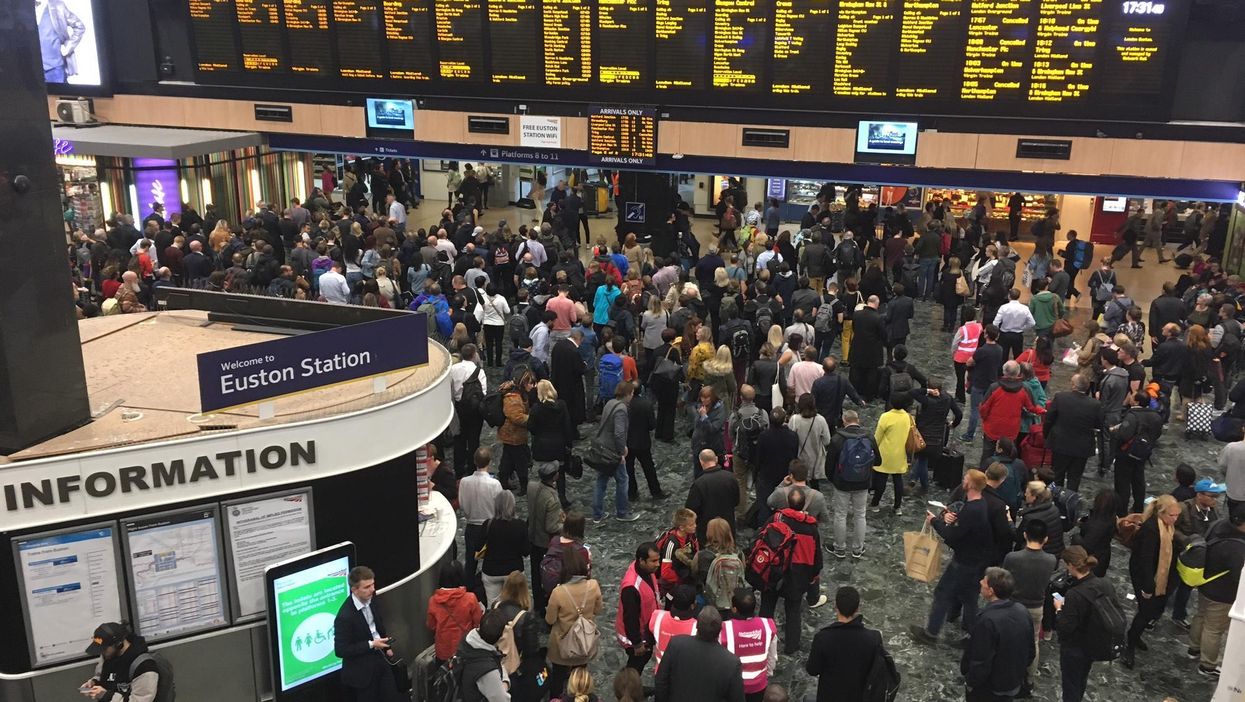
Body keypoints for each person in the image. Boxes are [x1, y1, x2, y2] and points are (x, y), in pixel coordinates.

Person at [911, 469, 994, 646]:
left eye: (965, 478)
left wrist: (934, 521)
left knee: (942, 593)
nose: (963, 479)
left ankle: (931, 633)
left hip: (963, 561)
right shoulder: (981, 504)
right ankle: (973, 636)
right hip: (976, 560)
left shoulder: (971, 509)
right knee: (969, 597)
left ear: (971, 484)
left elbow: (952, 535)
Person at [758, 489, 828, 654]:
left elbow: (761, 537)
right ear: (804, 504)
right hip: (798, 574)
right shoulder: (811, 528)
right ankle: (791, 646)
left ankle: (762, 641)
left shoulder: (776, 518)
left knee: (767, 606)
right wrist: (812, 577)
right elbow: (816, 557)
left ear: (788, 502)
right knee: (793, 611)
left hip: (774, 570)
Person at [1122, 495, 1185, 668]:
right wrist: (1148, 586)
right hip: (1146, 576)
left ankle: (1135, 636)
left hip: (1160, 575)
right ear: (1161, 513)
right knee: (1145, 611)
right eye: (1172, 515)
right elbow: (1145, 560)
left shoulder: (1167, 527)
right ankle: (1130, 642)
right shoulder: (1151, 530)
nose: (1175, 519)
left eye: (1177, 515)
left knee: (1153, 609)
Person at [1052, 547, 1120, 702]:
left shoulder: (1074, 594)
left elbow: (1065, 627)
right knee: (1081, 678)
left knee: (1070, 684)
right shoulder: (1105, 583)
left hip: (1075, 647)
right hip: (1094, 643)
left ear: (1070, 565)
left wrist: (1059, 609)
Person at [1188, 501, 1245, 676]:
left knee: (1201, 616)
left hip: (1205, 582)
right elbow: (1239, 576)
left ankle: (1194, 648)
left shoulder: (1219, 524)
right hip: (1223, 594)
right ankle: (1207, 665)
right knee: (1214, 628)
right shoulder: (1237, 547)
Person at [805, 586, 889, 702]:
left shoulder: (822, 638)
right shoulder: (873, 638)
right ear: (857, 609)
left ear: (836, 606)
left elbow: (812, 670)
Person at [961, 567, 1033, 702]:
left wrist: (971, 681)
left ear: (991, 591)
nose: (981, 582)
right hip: (1012, 683)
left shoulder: (987, 620)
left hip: (990, 688)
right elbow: (1030, 650)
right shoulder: (1022, 610)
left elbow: (981, 660)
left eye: (984, 582)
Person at [1003, 520, 1057, 693]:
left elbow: (1006, 578)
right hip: (1036, 607)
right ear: (1046, 539)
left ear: (1025, 535)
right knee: (1033, 642)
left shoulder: (1013, 558)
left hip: (1014, 605)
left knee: (1008, 641)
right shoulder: (1051, 560)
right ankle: (1029, 679)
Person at [334, 566, 402, 702]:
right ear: (354, 590)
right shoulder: (345, 617)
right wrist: (371, 645)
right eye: (366, 587)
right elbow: (341, 650)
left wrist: (387, 647)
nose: (372, 589)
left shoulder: (372, 597)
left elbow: (378, 624)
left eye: (372, 585)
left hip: (380, 660)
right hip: (362, 674)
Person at [654, 608, 745, 702]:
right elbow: (737, 698)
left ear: (697, 625)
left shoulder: (676, 644)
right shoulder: (731, 662)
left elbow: (661, 681)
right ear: (720, 629)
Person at [546, 548, 603, 697]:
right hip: (584, 641)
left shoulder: (558, 592)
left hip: (562, 644)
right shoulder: (594, 585)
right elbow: (598, 610)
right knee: (581, 675)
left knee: (558, 677)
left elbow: (550, 619)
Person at [1171, 478, 1227, 629]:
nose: (1215, 500)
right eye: (1212, 496)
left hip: (1198, 557)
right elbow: (1170, 527)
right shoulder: (1183, 508)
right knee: (1170, 584)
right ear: (1199, 495)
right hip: (1179, 553)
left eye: (1216, 496)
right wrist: (1187, 540)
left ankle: (1178, 615)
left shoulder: (1213, 511)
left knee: (1186, 587)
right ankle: (1155, 614)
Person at [979, 360, 1045, 470]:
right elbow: (1032, 408)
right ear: (1018, 373)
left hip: (992, 428)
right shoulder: (1024, 389)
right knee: (1008, 457)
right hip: (1011, 430)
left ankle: (983, 475)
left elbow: (984, 408)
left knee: (987, 455)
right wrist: (1042, 411)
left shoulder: (994, 387)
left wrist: (985, 420)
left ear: (1004, 372)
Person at [1043, 373, 1103, 491]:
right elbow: (1099, 424)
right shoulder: (1095, 404)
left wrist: (1047, 435)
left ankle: (1056, 499)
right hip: (1082, 447)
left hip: (1061, 443)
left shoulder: (1061, 397)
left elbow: (1049, 419)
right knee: (1075, 478)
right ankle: (1070, 502)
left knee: (1057, 475)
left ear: (1074, 386)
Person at [1110, 389, 1163, 516]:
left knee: (1123, 483)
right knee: (1138, 480)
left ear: (1136, 401)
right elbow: (1157, 434)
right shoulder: (1156, 416)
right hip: (1143, 454)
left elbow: (1124, 435)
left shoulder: (1132, 415)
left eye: (1132, 396)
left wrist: (1115, 431)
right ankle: (1138, 508)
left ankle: (1121, 511)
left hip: (1126, 454)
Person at [80, 622, 163, 702]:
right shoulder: (108, 655)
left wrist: (105, 696)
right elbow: (103, 676)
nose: (102, 653)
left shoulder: (144, 667)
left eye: (104, 649)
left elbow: (138, 700)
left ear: (119, 644)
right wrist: (94, 683)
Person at [592, 381, 638, 523]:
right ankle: (622, 512)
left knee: (601, 481)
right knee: (623, 480)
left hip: (602, 449)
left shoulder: (610, 403)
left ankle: (597, 514)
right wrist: (621, 451)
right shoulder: (621, 409)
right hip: (612, 451)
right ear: (629, 394)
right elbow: (619, 433)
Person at [720, 589, 777, 702]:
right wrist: (767, 674)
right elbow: (772, 656)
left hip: (734, 685)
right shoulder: (768, 625)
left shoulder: (725, 628)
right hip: (759, 685)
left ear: (734, 609)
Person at [462, 447, 503, 593]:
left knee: (470, 562)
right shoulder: (495, 484)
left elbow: (463, 506)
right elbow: (499, 507)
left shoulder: (464, 482)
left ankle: (468, 592)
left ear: (474, 462)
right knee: (491, 561)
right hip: (490, 527)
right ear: (489, 462)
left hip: (472, 525)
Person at [617, 543, 662, 673]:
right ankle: (629, 688)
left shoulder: (645, 571)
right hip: (637, 637)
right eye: (653, 561)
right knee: (636, 664)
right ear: (641, 561)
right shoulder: (631, 587)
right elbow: (630, 617)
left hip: (645, 631)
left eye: (658, 560)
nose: (657, 564)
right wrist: (637, 643)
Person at [480, 491, 530, 606]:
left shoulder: (488, 524)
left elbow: (478, 546)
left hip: (491, 570)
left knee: (492, 605)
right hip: (513, 571)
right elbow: (526, 551)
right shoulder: (520, 525)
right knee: (516, 604)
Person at [528, 461, 564, 614]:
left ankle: (537, 604)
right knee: (548, 575)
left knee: (535, 573)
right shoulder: (552, 499)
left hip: (532, 536)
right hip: (544, 542)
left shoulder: (531, 487)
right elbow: (551, 527)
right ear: (555, 476)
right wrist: (564, 523)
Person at [456, 608, 512, 702]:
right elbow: (501, 699)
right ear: (500, 637)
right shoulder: (487, 671)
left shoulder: (469, 641)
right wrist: (505, 682)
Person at [961, 325, 1005, 442]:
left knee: (975, 409)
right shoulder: (999, 349)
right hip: (992, 382)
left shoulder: (982, 350)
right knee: (989, 409)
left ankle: (970, 434)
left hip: (979, 382)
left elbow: (970, 362)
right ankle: (987, 433)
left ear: (986, 335)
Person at [687, 449, 740, 542]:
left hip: (707, 530)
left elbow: (691, 510)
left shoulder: (699, 484)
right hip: (727, 526)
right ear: (716, 459)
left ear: (701, 462)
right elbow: (736, 501)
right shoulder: (730, 477)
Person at [872, 395, 912, 513]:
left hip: (885, 454)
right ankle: (897, 506)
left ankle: (875, 503)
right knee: (898, 481)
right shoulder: (908, 417)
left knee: (881, 481)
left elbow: (877, 437)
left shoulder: (886, 416)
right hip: (900, 454)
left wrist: (872, 450)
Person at [649, 584, 699, 672]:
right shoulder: (697, 628)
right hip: (681, 675)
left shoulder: (657, 617)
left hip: (661, 671)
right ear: (692, 605)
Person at [655, 509, 700, 604]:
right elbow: (665, 572)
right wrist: (683, 577)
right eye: (691, 525)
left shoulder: (691, 536)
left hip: (686, 581)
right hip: (673, 586)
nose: (695, 526)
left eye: (695, 523)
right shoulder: (671, 543)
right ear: (682, 527)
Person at [848, 295, 886, 400]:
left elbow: (854, 328)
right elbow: (883, 334)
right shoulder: (878, 318)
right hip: (872, 350)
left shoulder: (856, 315)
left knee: (855, 370)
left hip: (857, 347)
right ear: (877, 304)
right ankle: (869, 395)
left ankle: (854, 392)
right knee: (871, 373)